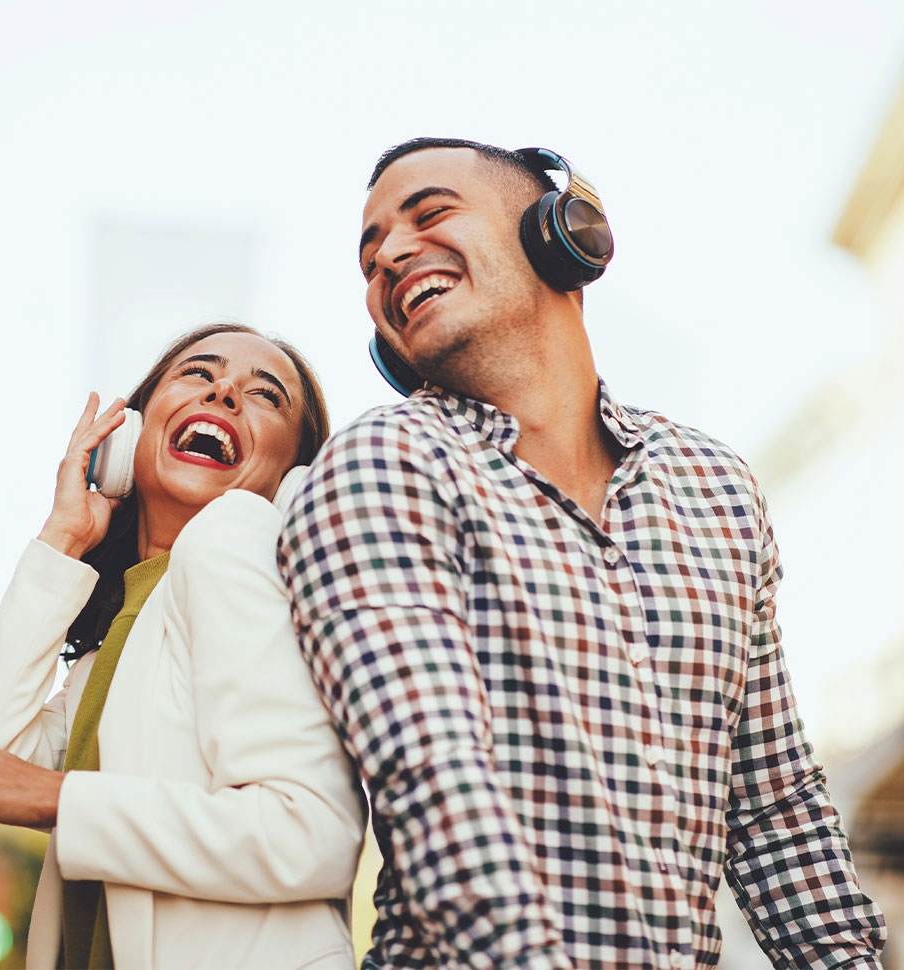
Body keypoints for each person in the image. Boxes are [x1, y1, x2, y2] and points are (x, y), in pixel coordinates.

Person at [276, 139, 886, 969]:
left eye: (429, 214)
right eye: (370, 251)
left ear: (561, 233)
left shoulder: (715, 485)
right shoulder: (383, 462)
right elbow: (436, 782)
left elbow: (775, 809)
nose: (387, 255)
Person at [0, 323, 366, 970]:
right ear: (130, 435)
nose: (226, 393)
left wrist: (56, 796)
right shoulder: (119, 643)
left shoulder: (233, 537)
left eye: (266, 395)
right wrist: (64, 537)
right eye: (198, 374)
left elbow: (309, 834)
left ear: (291, 476)